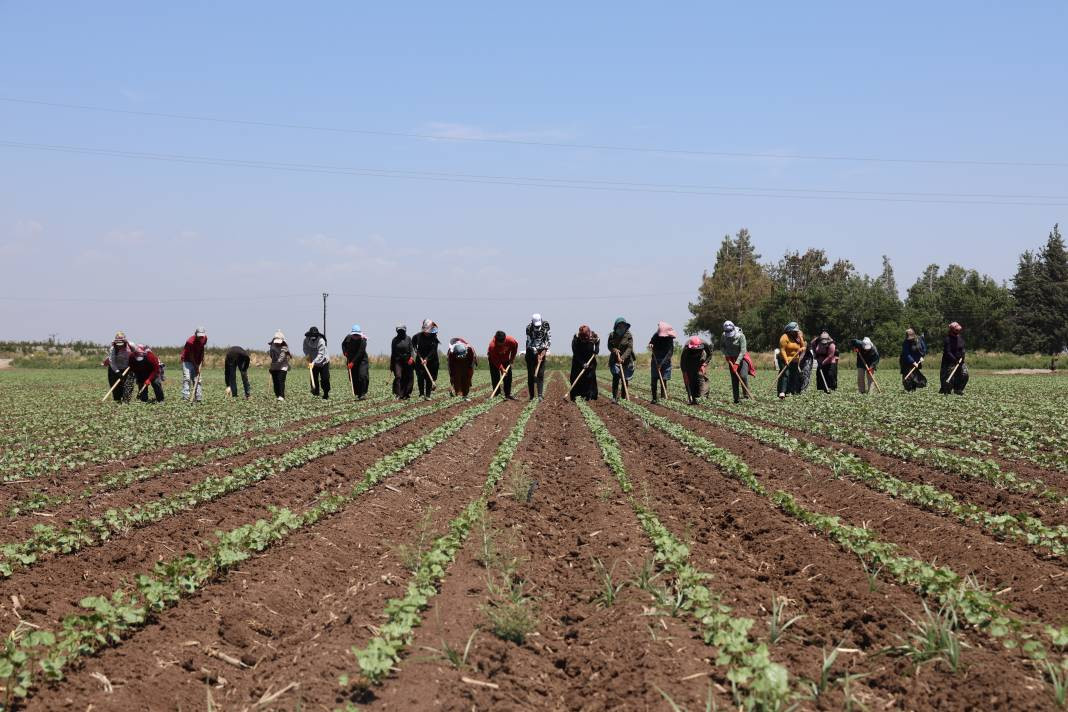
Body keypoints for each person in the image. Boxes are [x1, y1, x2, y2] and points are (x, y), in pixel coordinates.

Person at [721, 321, 751, 404]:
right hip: (731, 358)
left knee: (743, 376)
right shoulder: (723, 335)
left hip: (742, 357)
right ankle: (736, 399)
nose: (728, 333)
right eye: (727, 331)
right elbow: (722, 346)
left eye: (730, 331)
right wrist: (726, 355)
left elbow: (743, 350)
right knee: (734, 378)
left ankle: (746, 396)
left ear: (733, 329)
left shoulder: (741, 336)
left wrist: (737, 363)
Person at [607, 317, 634, 403]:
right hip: (615, 359)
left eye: (623, 326)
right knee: (616, 377)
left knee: (624, 378)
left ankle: (623, 397)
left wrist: (622, 358)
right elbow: (609, 346)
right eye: (620, 326)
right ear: (616, 327)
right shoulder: (612, 335)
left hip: (626, 360)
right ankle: (614, 397)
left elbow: (629, 348)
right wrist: (614, 350)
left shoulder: (629, 335)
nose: (621, 328)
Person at [648, 321, 676, 403]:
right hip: (655, 359)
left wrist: (661, 364)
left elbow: (670, 353)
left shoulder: (670, 338)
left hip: (665, 360)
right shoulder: (656, 335)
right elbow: (651, 342)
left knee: (663, 380)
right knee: (654, 380)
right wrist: (651, 344)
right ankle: (654, 398)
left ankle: (663, 398)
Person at [102, 331, 135, 402]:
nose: (119, 346)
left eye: (121, 344)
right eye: (118, 344)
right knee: (116, 388)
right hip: (114, 369)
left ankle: (126, 402)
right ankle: (117, 402)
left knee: (128, 387)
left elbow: (137, 354)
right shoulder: (113, 349)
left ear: (124, 342)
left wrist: (133, 363)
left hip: (128, 368)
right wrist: (118, 372)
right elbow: (112, 362)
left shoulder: (131, 346)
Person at [412, 319, 440, 400]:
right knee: (420, 376)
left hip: (432, 360)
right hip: (420, 358)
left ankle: (427, 395)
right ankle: (421, 394)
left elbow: (433, 350)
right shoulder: (418, 336)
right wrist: (415, 349)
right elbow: (413, 342)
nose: (426, 332)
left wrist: (427, 359)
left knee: (428, 377)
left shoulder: (434, 338)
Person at [569, 325, 600, 401]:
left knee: (590, 377)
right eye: (583, 337)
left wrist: (597, 348)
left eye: (586, 337)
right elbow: (576, 353)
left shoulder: (593, 336)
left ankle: (590, 396)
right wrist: (582, 363)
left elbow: (598, 341)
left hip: (590, 359)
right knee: (575, 377)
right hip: (578, 360)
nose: (585, 339)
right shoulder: (576, 339)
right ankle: (575, 396)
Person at [524, 313, 551, 401]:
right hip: (531, 351)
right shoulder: (528, 328)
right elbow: (529, 342)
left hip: (542, 350)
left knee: (540, 373)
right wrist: (535, 352)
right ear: (532, 322)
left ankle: (540, 395)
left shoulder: (546, 325)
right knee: (531, 375)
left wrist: (544, 350)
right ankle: (532, 396)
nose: (537, 327)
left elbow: (548, 339)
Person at [777, 322, 806, 399]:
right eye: (794, 331)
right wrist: (786, 360)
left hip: (795, 360)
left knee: (793, 375)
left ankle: (790, 391)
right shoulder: (784, 337)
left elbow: (803, 346)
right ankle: (782, 392)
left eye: (796, 331)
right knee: (785, 374)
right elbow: (782, 350)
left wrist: (801, 348)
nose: (795, 332)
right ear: (789, 331)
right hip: (784, 359)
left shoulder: (798, 337)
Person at [680, 335, 712, 405]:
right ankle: (692, 398)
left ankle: (702, 398)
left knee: (701, 377)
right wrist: (685, 374)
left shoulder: (705, 344)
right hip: (689, 361)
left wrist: (704, 364)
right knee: (690, 379)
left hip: (700, 359)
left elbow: (709, 355)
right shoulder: (686, 348)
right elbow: (682, 362)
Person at [341, 324, 370, 400]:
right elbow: (343, 345)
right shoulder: (348, 338)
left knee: (362, 375)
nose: (356, 336)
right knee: (353, 377)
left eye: (357, 335)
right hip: (351, 359)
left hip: (362, 360)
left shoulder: (363, 340)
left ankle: (363, 393)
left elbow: (360, 352)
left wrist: (352, 363)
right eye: (354, 335)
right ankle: (358, 393)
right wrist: (345, 352)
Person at [488, 330, 519, 399]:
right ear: (496, 340)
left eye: (503, 342)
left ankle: (508, 394)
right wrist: (502, 368)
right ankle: (497, 394)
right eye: (500, 343)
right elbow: (495, 360)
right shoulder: (492, 346)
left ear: (505, 339)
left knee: (508, 376)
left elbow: (515, 348)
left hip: (505, 359)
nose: (501, 344)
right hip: (494, 360)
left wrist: (512, 358)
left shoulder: (511, 340)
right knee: (495, 377)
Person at [940, 322, 968, 395]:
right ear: (952, 330)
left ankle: (958, 389)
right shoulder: (947, 339)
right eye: (956, 330)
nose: (958, 332)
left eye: (959, 330)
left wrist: (962, 356)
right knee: (949, 378)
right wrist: (955, 360)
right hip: (949, 361)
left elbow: (962, 348)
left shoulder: (960, 338)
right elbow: (948, 352)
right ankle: (947, 391)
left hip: (960, 360)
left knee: (965, 374)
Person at [180, 327, 207, 402]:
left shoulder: (204, 338)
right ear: (195, 334)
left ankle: (198, 398)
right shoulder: (190, 341)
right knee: (187, 378)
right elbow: (191, 355)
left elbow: (202, 348)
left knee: (198, 379)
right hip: (187, 360)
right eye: (199, 336)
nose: (200, 338)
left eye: (202, 336)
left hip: (197, 360)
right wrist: (196, 366)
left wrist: (202, 358)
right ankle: (185, 398)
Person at [303, 326, 330, 399]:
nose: (313, 337)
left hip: (323, 362)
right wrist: (308, 357)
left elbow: (321, 354)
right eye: (311, 335)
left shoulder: (321, 340)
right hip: (312, 361)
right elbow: (305, 349)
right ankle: (315, 393)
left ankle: (326, 393)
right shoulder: (306, 340)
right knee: (314, 378)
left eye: (314, 335)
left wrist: (314, 362)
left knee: (325, 378)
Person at [391, 324, 415, 400]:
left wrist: (411, 358)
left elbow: (411, 350)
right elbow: (393, 353)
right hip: (397, 361)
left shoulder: (408, 339)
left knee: (408, 377)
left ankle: (407, 394)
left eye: (402, 331)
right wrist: (391, 365)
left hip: (408, 361)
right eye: (399, 331)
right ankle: (398, 394)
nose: (400, 332)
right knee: (398, 377)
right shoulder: (394, 340)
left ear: (405, 331)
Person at [268, 330, 291, 400]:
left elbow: (281, 357)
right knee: (275, 382)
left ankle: (281, 396)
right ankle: (277, 395)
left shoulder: (285, 346)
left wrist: (273, 366)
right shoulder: (272, 345)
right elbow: (271, 355)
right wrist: (273, 366)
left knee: (280, 381)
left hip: (283, 366)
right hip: (274, 365)